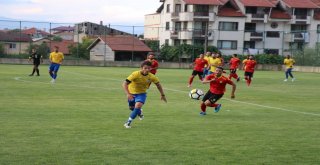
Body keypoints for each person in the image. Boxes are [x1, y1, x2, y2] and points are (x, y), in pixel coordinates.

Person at [122, 61, 167, 128]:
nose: (147, 70)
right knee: (132, 108)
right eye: (145, 68)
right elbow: (124, 83)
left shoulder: (152, 76)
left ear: (150, 69)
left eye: (148, 68)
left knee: (138, 105)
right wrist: (128, 94)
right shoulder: (135, 74)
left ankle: (128, 122)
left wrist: (162, 95)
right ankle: (140, 113)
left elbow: (158, 85)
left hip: (141, 94)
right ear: (141, 68)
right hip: (131, 93)